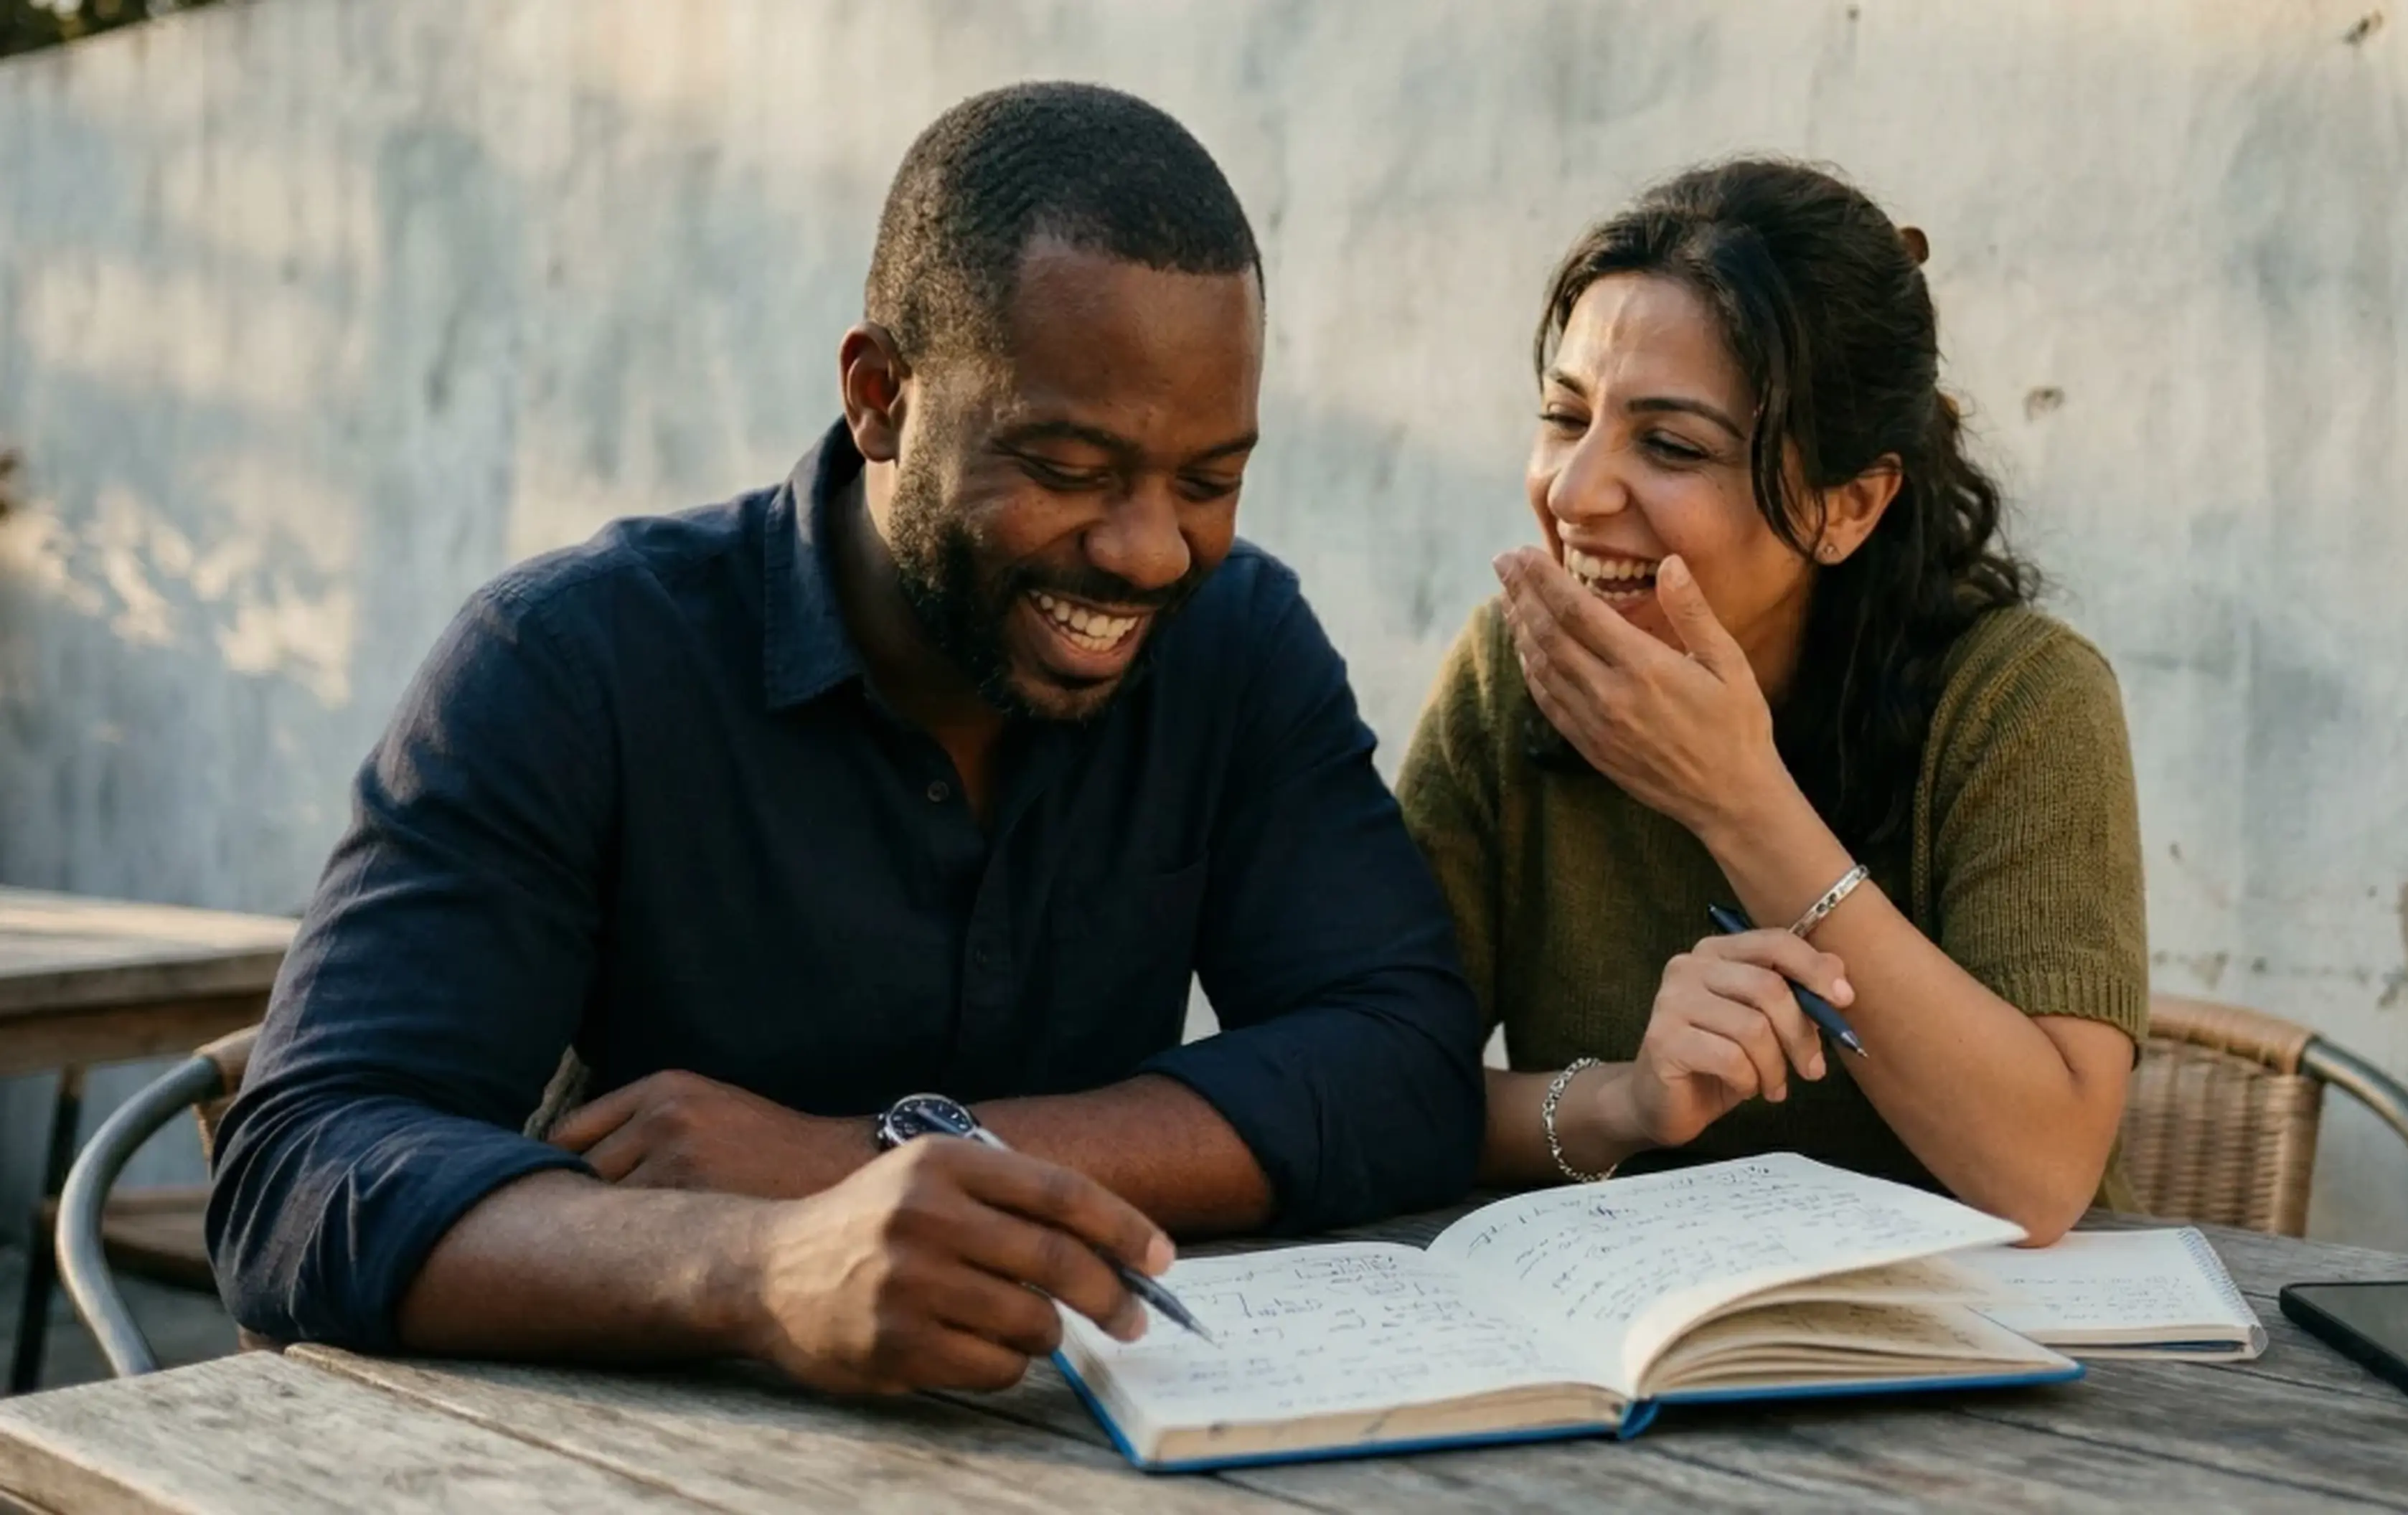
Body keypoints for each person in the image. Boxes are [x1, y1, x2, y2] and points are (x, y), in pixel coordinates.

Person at [208, 82, 1484, 1392]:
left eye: (1210, 482)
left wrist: (872, 1158)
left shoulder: (1239, 642)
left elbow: (1401, 1064)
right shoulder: (570, 662)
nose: (1151, 549)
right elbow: (299, 1170)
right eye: (1065, 469)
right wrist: (755, 1269)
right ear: (880, 396)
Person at [1397, 159, 2146, 1244]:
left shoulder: (2020, 700)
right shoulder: (1513, 675)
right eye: (1567, 417)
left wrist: (1741, 804)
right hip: (1632, 1341)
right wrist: (1628, 1102)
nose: (1572, 492)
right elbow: (1374, 1089)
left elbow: (2040, 1175)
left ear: (1850, 505)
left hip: (2000, 1369)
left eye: (1670, 445)